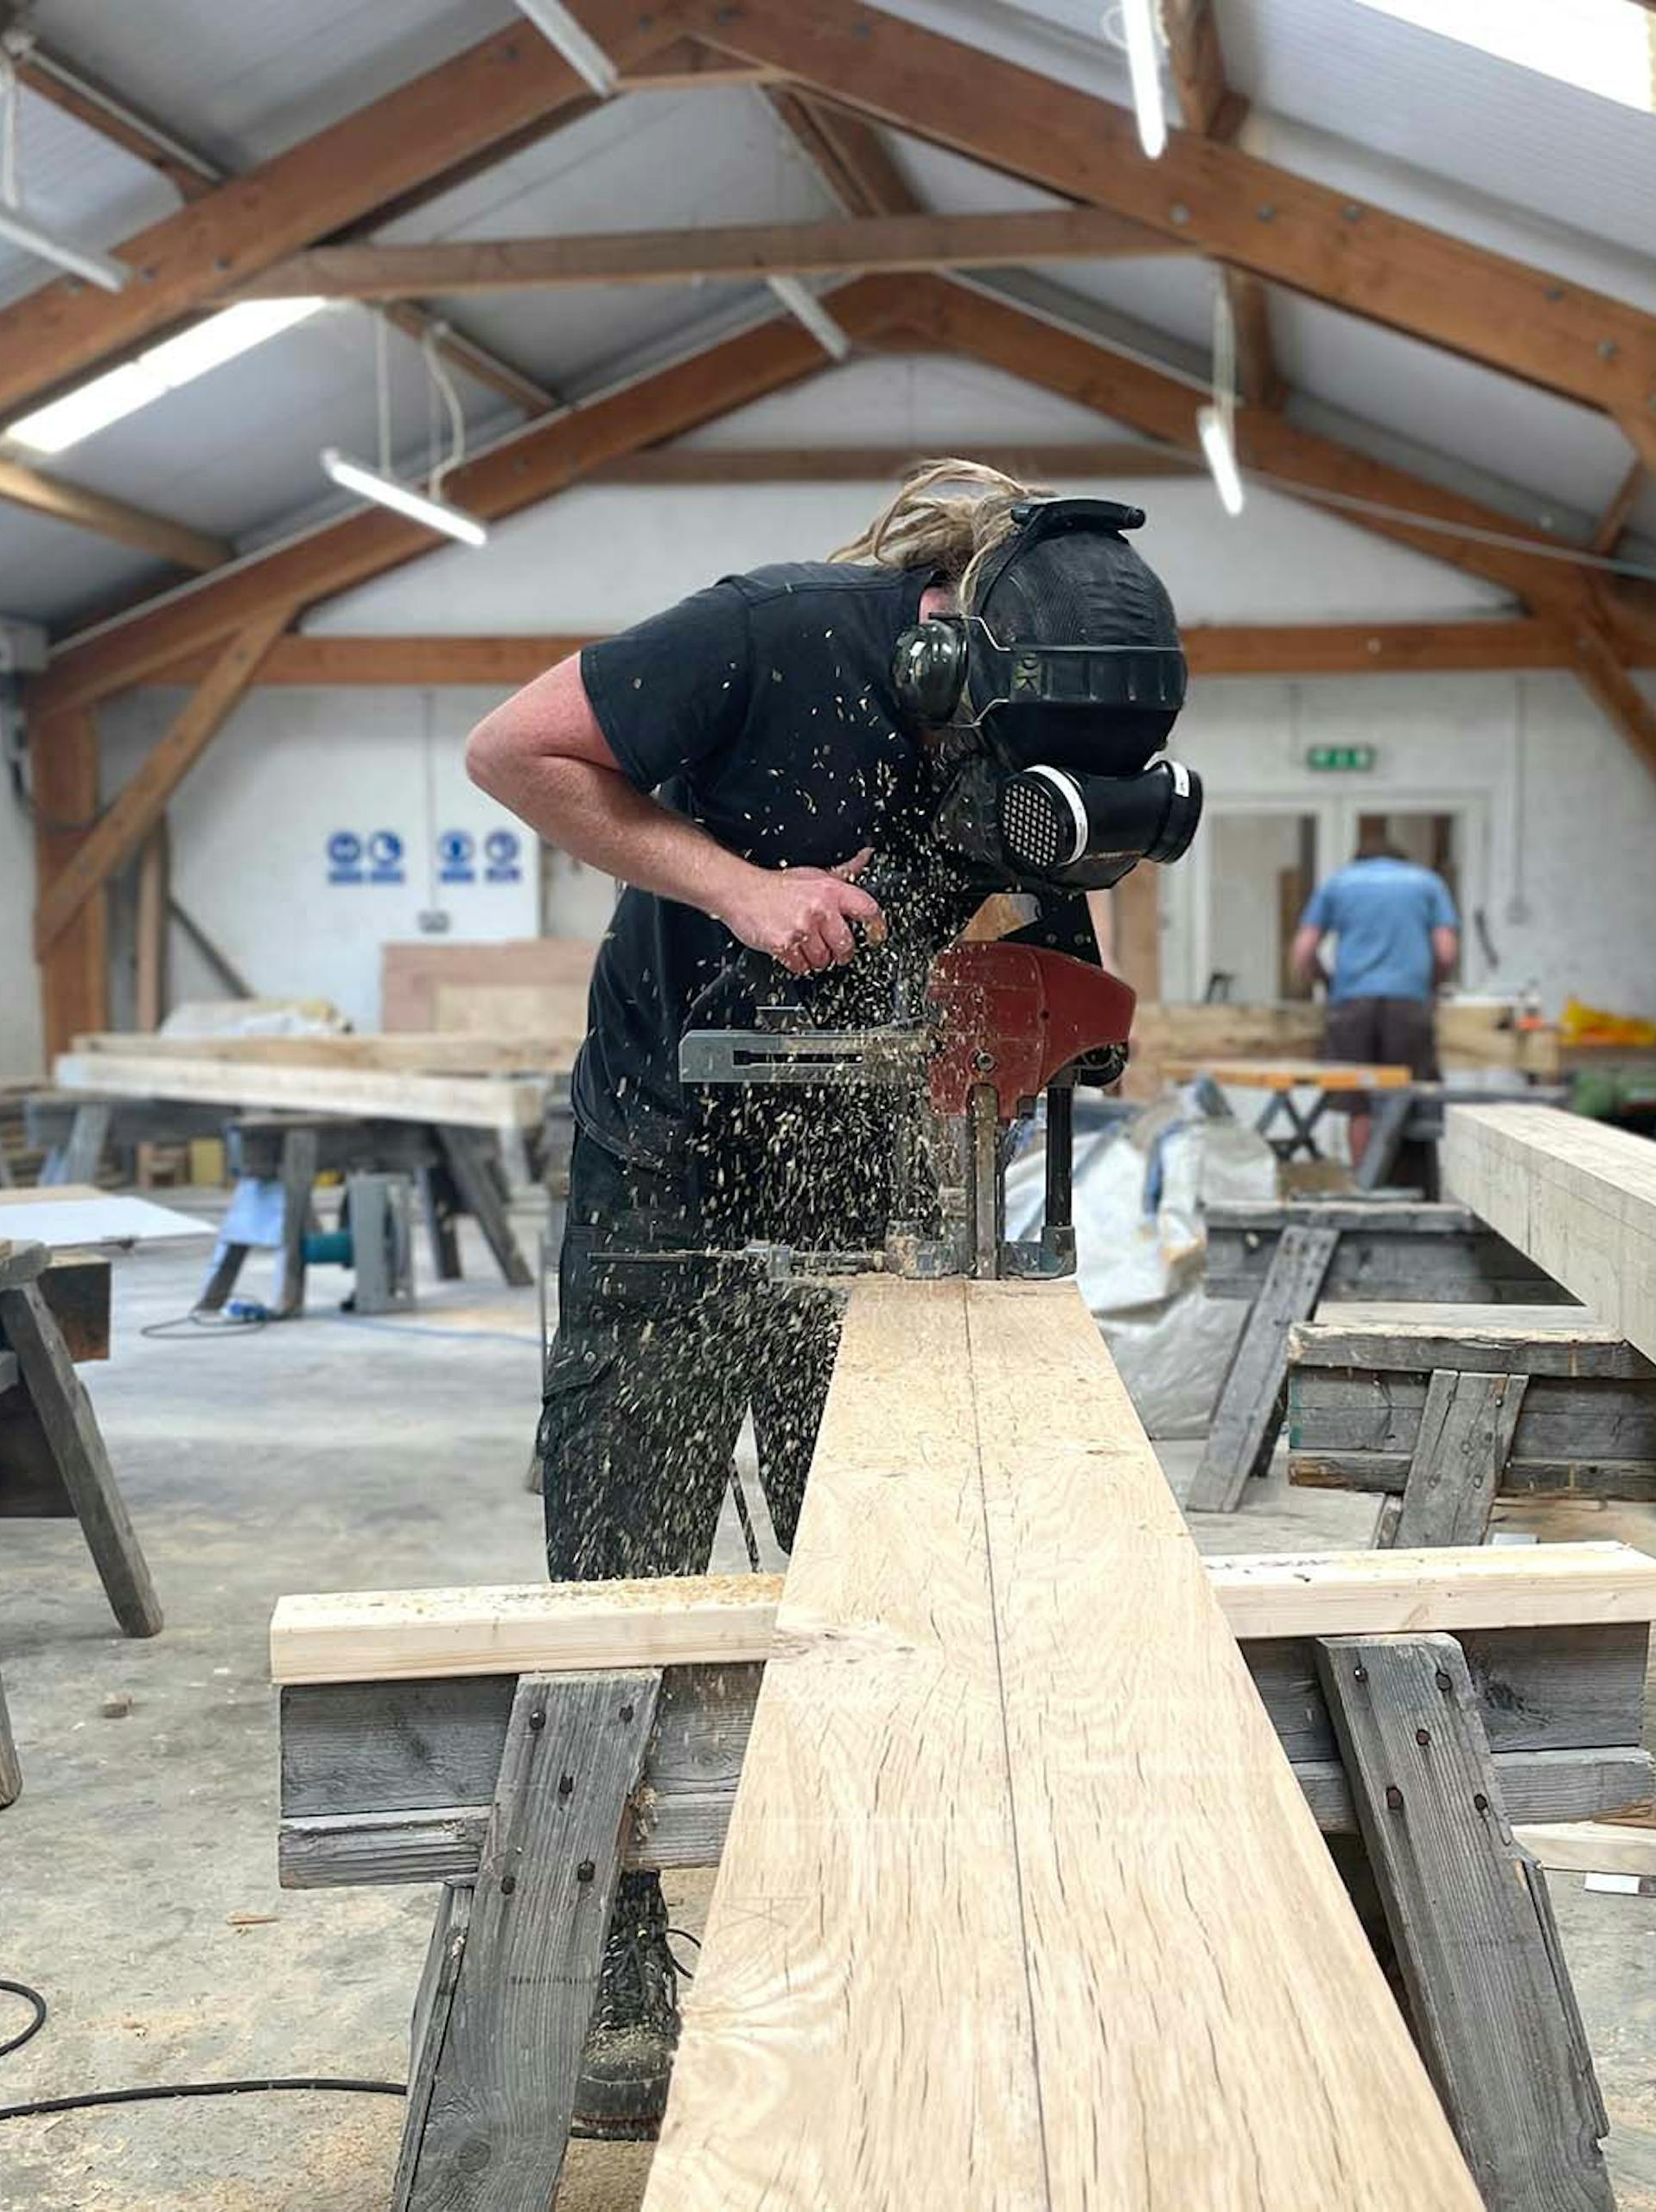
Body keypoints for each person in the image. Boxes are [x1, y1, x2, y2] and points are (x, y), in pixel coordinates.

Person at [462, 461, 1187, 2132]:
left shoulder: (1043, 731)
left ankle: (869, 1918)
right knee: (629, 1556)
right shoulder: (774, 633)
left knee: (870, 1556)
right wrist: (740, 883)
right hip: (669, 1145)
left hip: (867, 1159)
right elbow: (514, 749)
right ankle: (616, 1964)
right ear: (949, 647)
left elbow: (1045, 935)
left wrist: (1049, 1005)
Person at [1290, 833, 1460, 1164]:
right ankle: (1411, 1184)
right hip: (1409, 1004)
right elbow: (1446, 951)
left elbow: (1303, 952)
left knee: (1360, 1103)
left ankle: (1365, 1183)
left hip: (1352, 1005)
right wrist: (1430, 984)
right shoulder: (1427, 884)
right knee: (1410, 1098)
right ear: (1401, 860)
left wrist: (1328, 982)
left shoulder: (1338, 884)